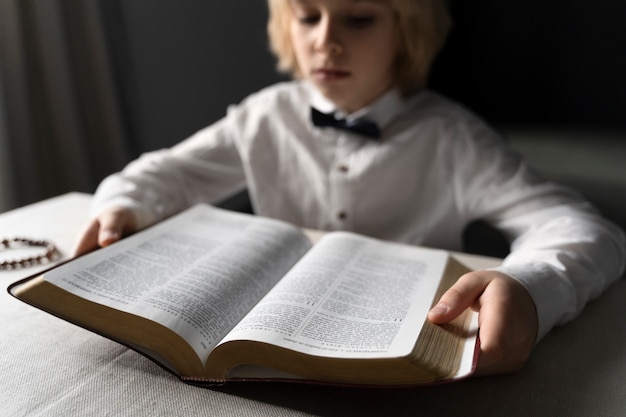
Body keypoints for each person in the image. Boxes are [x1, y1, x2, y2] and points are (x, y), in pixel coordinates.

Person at [73, 0, 625, 376]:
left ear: (407, 30)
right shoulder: (264, 117)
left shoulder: (452, 139)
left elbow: (583, 229)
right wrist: (126, 203)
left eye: (358, 18)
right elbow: (161, 173)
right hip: (270, 346)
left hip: (407, 351)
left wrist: (530, 285)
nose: (326, 41)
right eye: (308, 16)